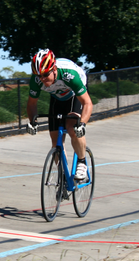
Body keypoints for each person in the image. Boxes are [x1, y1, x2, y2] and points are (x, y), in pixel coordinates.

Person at [26, 49, 93, 180]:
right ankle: (63, 175)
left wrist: (82, 124)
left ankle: (82, 162)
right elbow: (31, 104)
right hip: (58, 96)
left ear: (54, 68)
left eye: (45, 75)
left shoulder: (70, 75)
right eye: (39, 76)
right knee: (55, 139)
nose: (43, 79)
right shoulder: (37, 79)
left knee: (72, 127)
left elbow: (87, 103)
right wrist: (32, 121)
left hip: (74, 95)